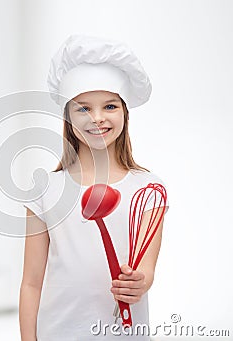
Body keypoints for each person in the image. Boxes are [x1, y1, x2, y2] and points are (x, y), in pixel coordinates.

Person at [19, 35, 169, 340]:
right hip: (59, 332)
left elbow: (147, 270)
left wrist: (140, 282)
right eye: (83, 108)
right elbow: (31, 283)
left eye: (110, 106)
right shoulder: (46, 190)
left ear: (125, 113)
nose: (97, 118)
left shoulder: (148, 189)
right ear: (67, 116)